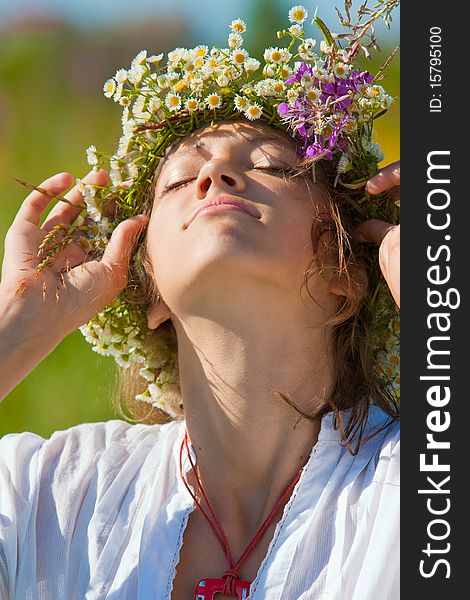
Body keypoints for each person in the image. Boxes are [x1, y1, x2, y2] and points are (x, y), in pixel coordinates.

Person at [0, 4, 400, 599]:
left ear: (346, 269)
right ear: (149, 286)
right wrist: (15, 328)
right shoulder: (51, 495)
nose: (216, 175)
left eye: (270, 166)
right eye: (181, 181)